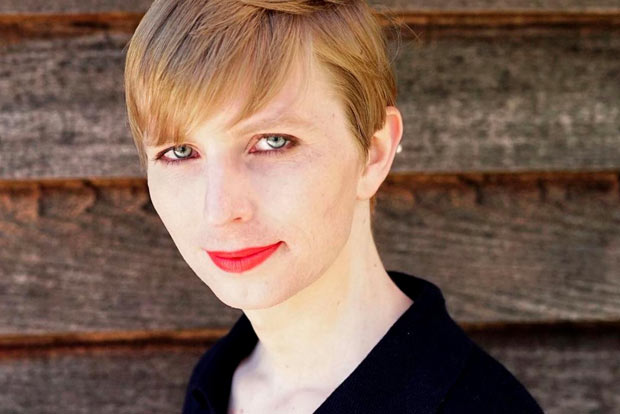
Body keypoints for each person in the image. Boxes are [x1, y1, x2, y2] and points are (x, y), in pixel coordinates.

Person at [123, 0, 544, 413]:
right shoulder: (215, 385)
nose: (219, 209)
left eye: (273, 142)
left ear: (374, 153)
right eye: (179, 152)